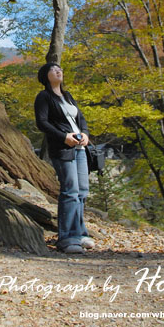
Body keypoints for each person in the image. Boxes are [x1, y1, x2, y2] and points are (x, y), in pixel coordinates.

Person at [34, 62, 95, 254]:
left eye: (59, 68)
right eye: (53, 69)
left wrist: (84, 134)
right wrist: (64, 137)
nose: (58, 70)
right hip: (62, 149)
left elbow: (81, 119)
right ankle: (67, 238)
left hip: (80, 149)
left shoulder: (68, 96)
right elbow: (42, 122)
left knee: (82, 191)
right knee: (70, 190)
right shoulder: (44, 97)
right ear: (45, 76)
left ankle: (80, 233)